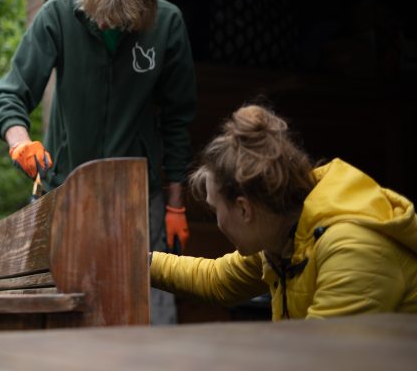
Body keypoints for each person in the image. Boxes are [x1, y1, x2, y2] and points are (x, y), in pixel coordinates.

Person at [0, 0, 197, 324]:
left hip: (136, 195)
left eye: (112, 23)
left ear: (140, 15)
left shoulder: (167, 24)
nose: (101, 28)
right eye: (95, 18)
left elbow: (178, 119)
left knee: (148, 305)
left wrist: (175, 204)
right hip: (63, 187)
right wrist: (20, 142)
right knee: (57, 299)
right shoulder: (59, 14)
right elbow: (11, 94)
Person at [150, 104, 417, 320]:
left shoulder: (351, 249)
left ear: (244, 209)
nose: (218, 222)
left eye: (215, 209)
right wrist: (140, 261)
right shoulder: (282, 233)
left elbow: (321, 359)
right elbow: (216, 280)